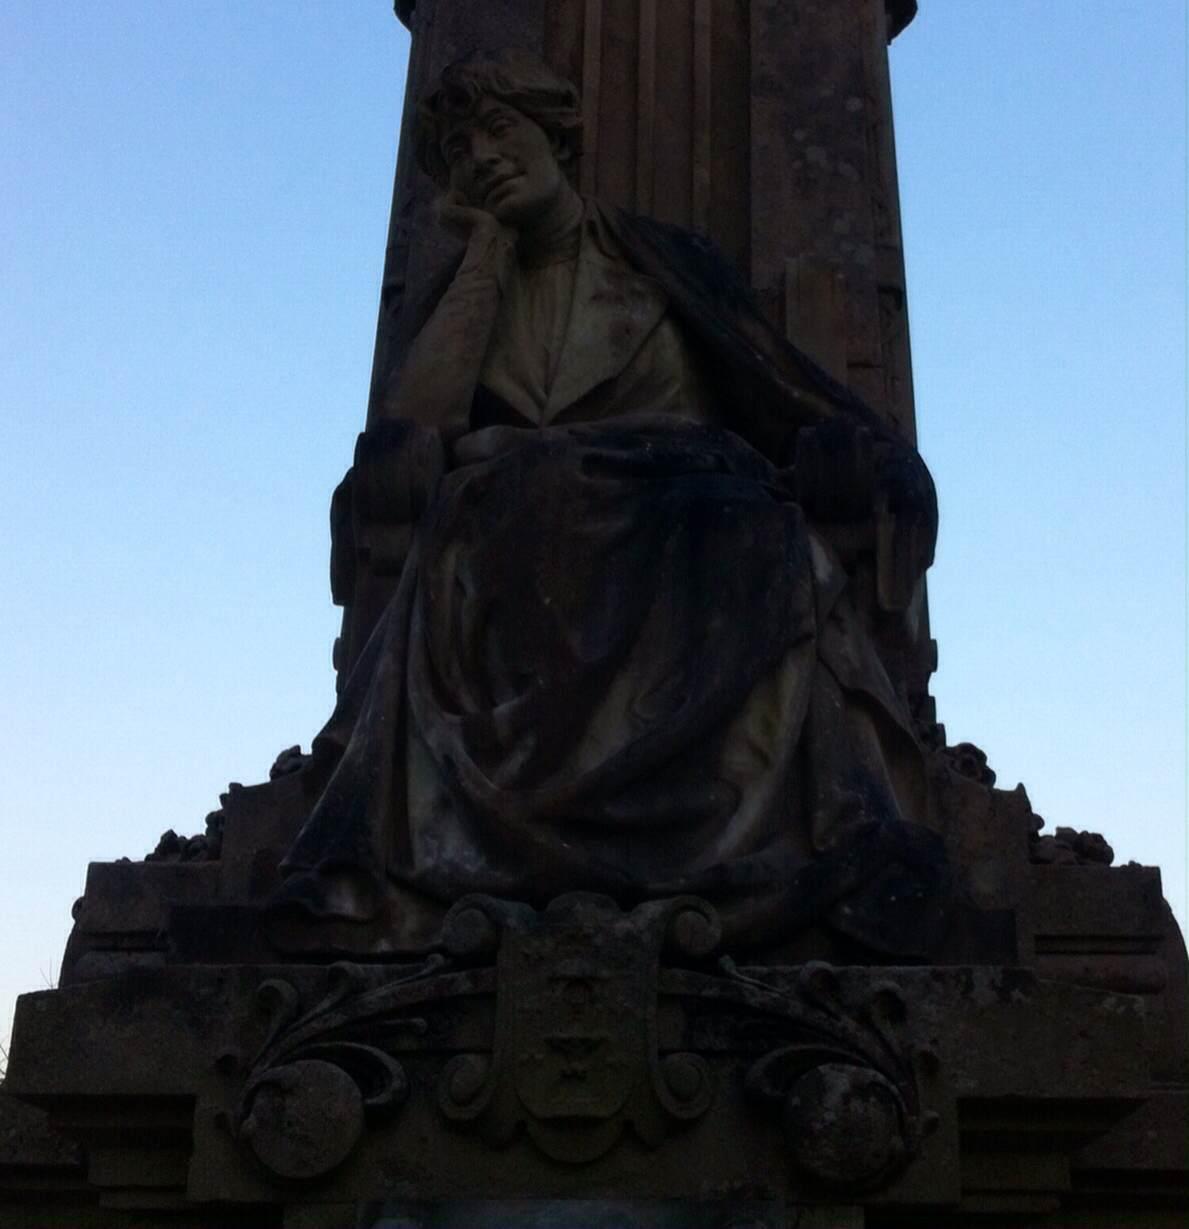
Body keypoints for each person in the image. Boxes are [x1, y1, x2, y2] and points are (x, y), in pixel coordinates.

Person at [270, 50, 949, 960]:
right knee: (478, 522)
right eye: (462, 154)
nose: (485, 159)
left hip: (685, 507)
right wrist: (481, 255)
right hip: (515, 522)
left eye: (502, 134)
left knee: (763, 535)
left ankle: (837, 827)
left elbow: (775, 390)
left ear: (558, 137)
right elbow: (413, 435)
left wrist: (854, 454)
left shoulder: (669, 267)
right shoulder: (473, 296)